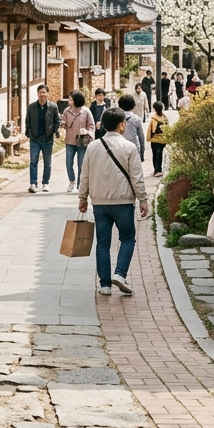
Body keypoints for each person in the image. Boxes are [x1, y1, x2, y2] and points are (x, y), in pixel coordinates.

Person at [78, 107, 149, 296]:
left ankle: (105, 285)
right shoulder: (129, 147)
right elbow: (137, 177)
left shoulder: (93, 147)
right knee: (127, 238)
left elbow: (84, 175)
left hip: (100, 203)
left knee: (103, 243)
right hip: (124, 202)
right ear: (121, 125)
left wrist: (82, 198)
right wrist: (143, 199)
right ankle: (119, 274)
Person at [24, 84, 60, 193]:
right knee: (33, 162)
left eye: (44, 92)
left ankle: (45, 183)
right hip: (35, 138)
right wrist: (29, 133)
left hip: (47, 139)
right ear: (37, 94)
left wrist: (54, 130)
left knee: (47, 163)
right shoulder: (31, 107)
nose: (42, 95)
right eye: (40, 92)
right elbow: (27, 121)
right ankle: (33, 183)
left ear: (47, 94)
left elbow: (57, 120)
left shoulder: (53, 107)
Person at [60, 90, 95, 193]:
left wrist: (87, 132)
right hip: (70, 141)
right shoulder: (66, 111)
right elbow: (64, 124)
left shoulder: (86, 111)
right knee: (68, 163)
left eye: (71, 99)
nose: (69, 101)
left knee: (81, 164)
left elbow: (92, 126)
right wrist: (62, 124)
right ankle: (72, 181)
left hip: (82, 142)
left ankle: (80, 185)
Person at [117, 93, 146, 164]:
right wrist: (142, 153)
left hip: (119, 147)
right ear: (133, 105)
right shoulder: (136, 119)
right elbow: (141, 137)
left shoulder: (116, 118)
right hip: (134, 147)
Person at [146, 100, 167, 177]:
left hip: (155, 140)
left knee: (155, 155)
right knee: (159, 154)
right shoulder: (165, 118)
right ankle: (158, 170)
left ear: (155, 109)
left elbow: (151, 130)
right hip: (162, 139)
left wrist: (148, 138)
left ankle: (157, 170)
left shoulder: (154, 119)